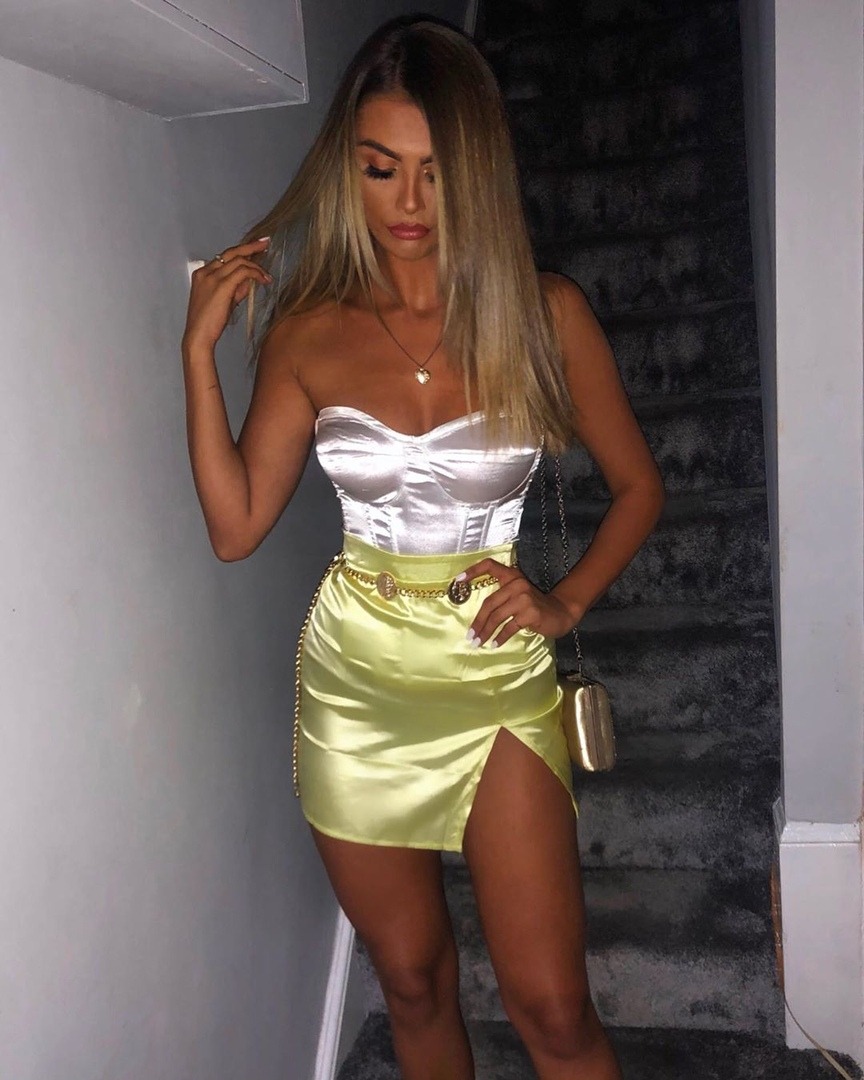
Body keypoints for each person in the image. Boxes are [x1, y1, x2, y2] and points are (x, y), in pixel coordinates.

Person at [181, 15, 663, 1080]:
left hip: (494, 676)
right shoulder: (307, 330)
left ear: (476, 175)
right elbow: (235, 527)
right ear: (349, 170)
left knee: (554, 1009)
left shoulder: (546, 315)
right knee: (408, 980)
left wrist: (567, 602)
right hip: (356, 685)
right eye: (380, 168)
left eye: (435, 173)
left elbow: (640, 487)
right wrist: (197, 353)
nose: (406, 202)